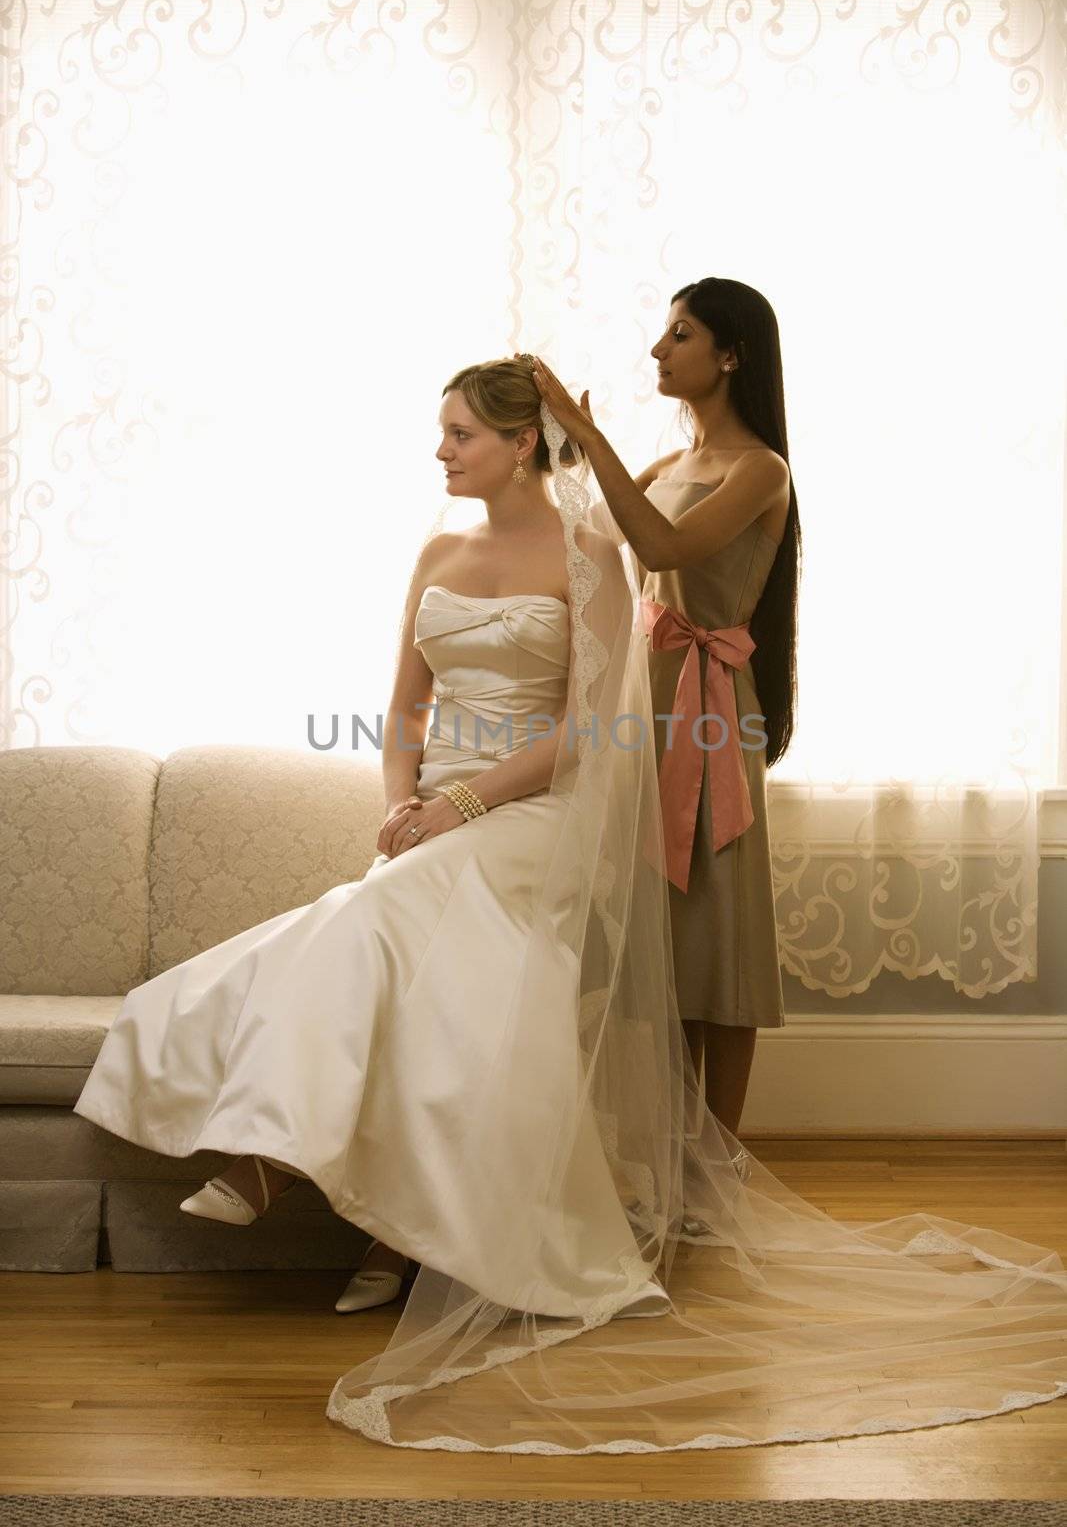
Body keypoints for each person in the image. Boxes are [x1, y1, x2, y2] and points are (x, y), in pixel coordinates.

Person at [72, 355, 1067, 1455]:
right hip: (434, 819)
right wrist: (401, 797)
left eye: (457, 433)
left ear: (517, 444)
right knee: (394, 935)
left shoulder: (590, 553)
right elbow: (402, 702)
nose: (440, 450)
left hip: (535, 811)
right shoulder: (437, 550)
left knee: (373, 920)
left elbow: (595, 729)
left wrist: (462, 798)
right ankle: (393, 1230)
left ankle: (278, 1160)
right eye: (441, 432)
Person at [529, 277, 794, 1155]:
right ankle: (675, 1153)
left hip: (711, 706)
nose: (657, 349)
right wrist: (561, 446)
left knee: (718, 923)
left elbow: (664, 547)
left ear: (730, 354)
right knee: (666, 931)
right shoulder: (667, 467)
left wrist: (589, 430)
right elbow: (596, 536)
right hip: (646, 705)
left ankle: (716, 1159)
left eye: (678, 333)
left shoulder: (759, 468)